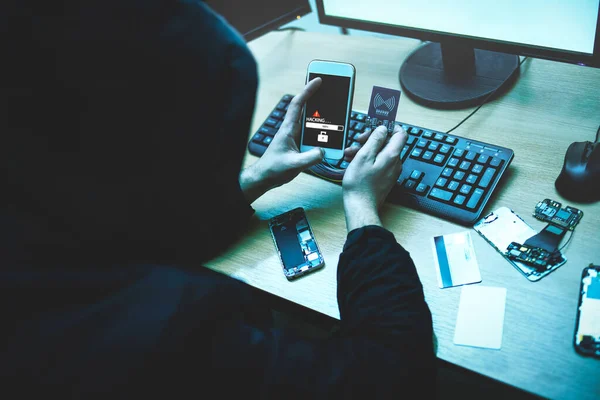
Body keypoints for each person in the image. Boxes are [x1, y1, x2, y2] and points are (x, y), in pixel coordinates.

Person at [0, 1, 435, 398]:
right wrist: (361, 206)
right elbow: (393, 374)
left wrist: (255, 178)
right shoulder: (170, 337)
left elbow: (128, 229)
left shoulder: (41, 204)